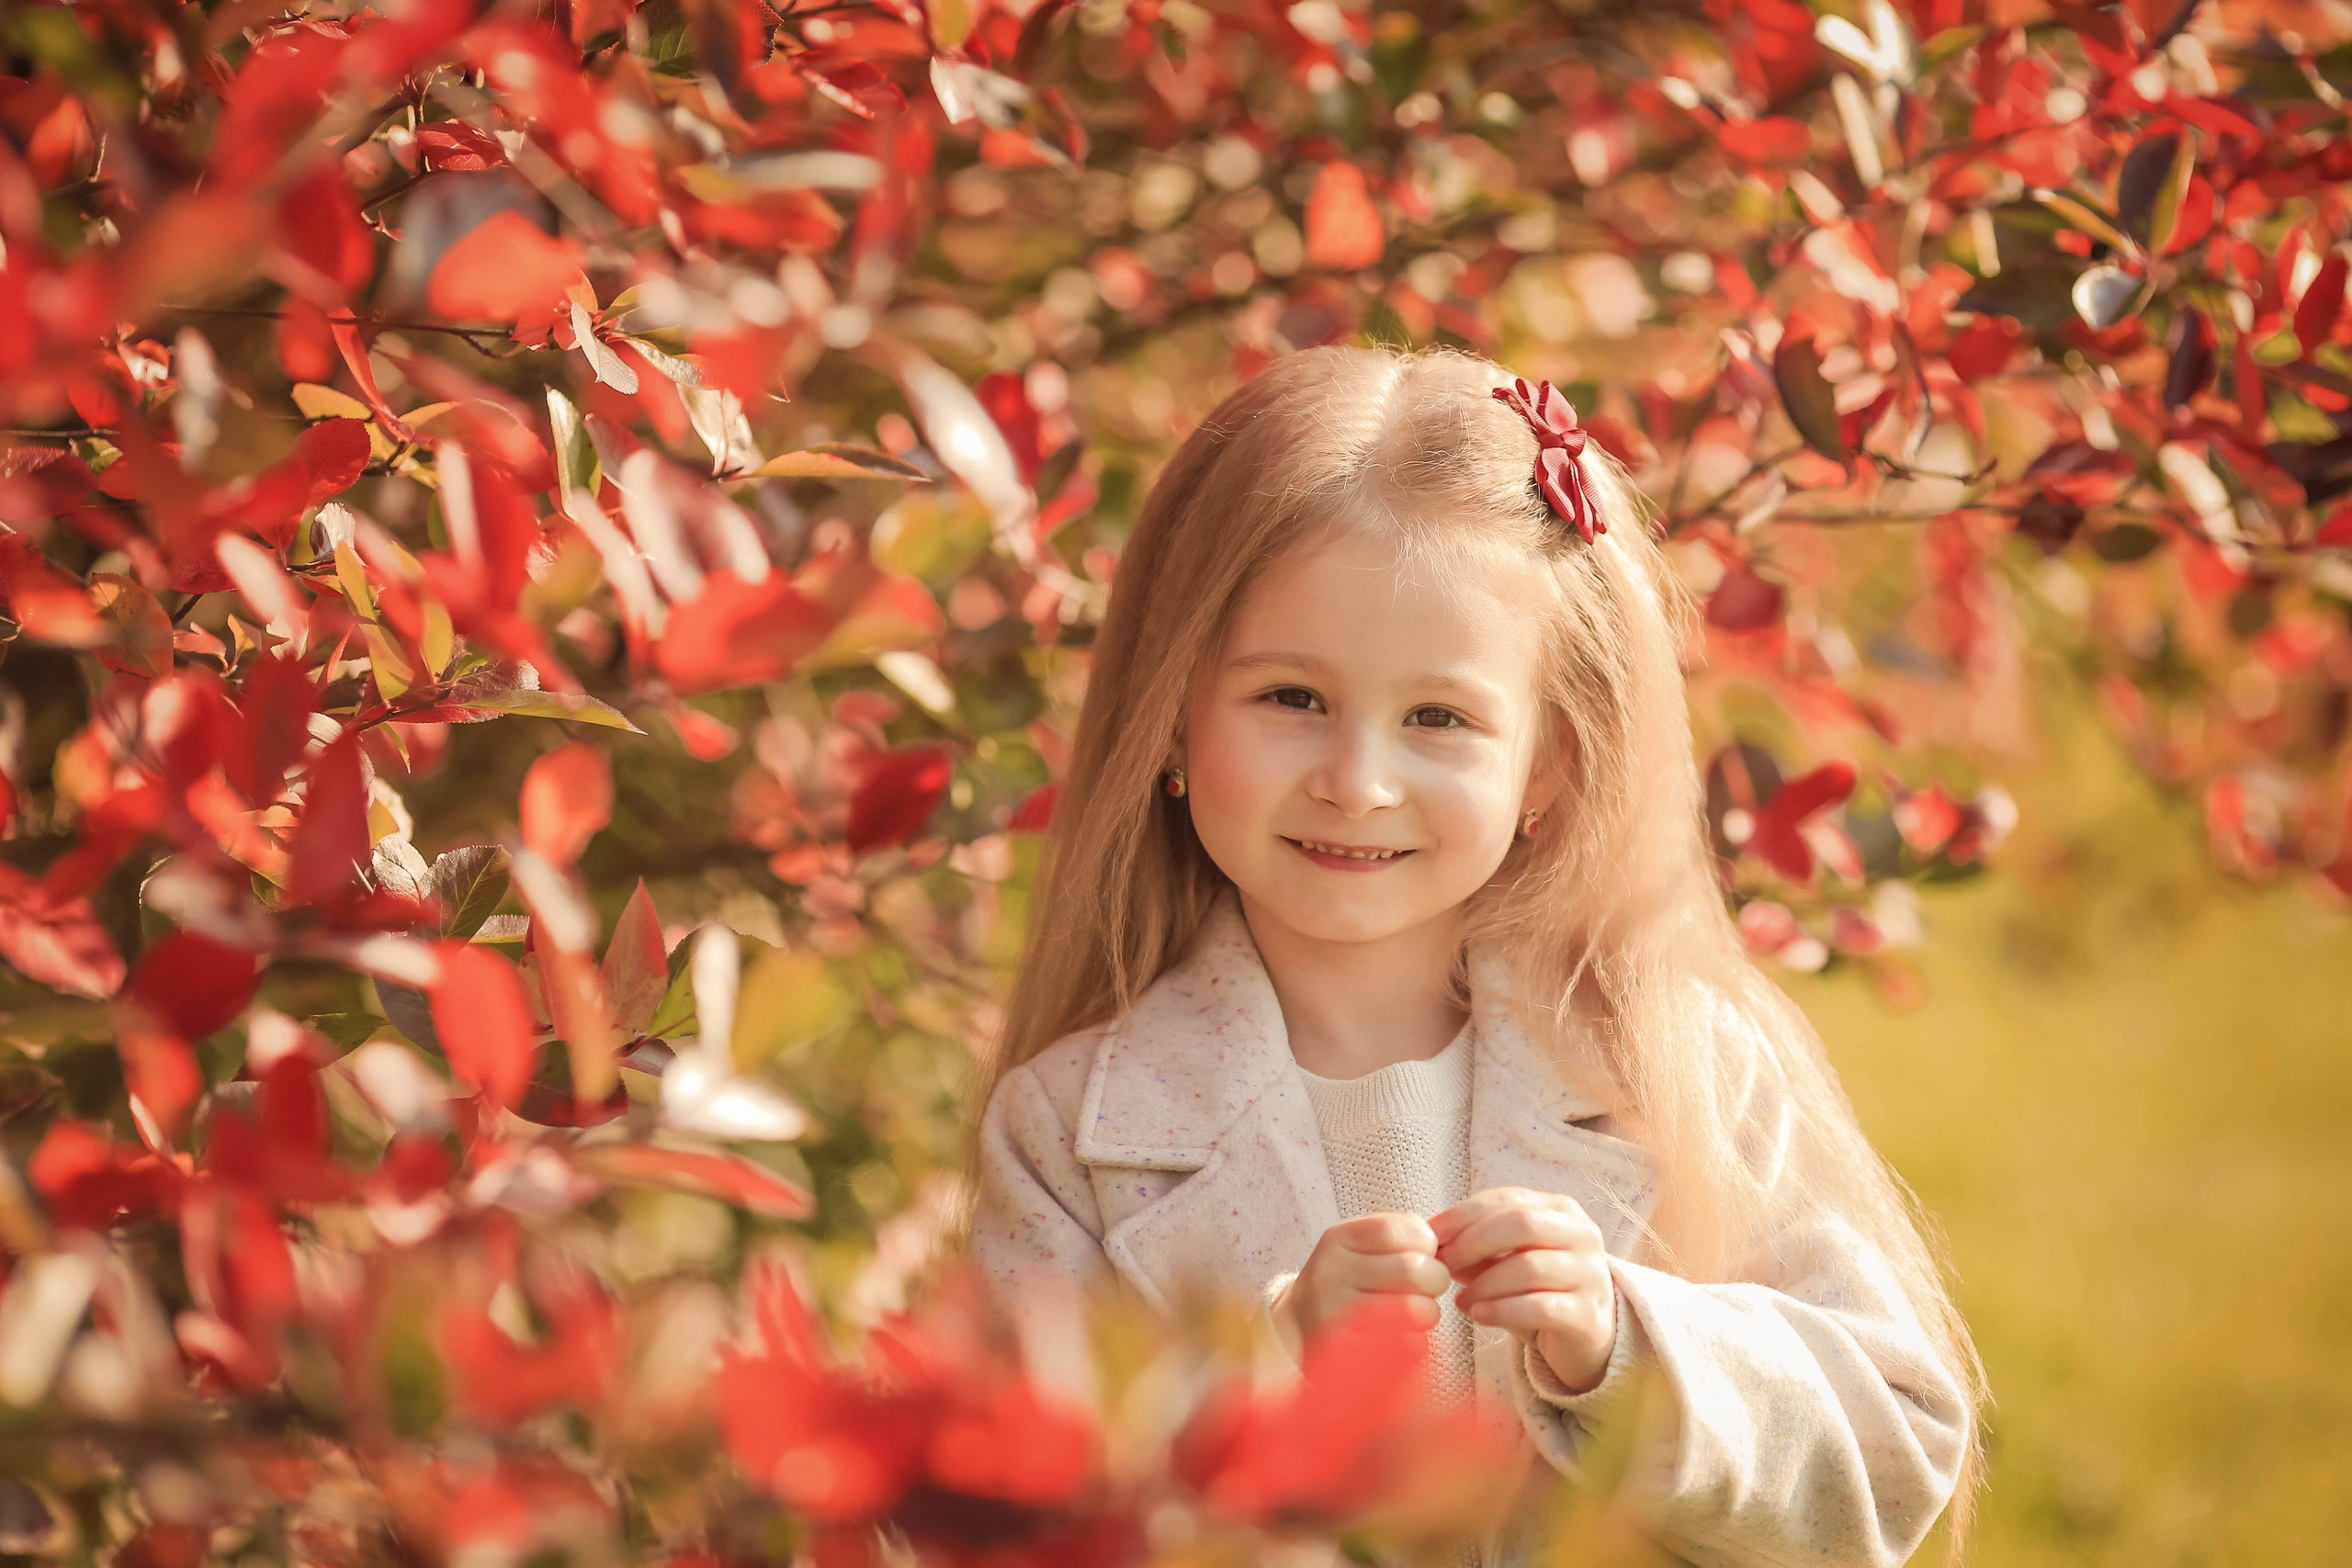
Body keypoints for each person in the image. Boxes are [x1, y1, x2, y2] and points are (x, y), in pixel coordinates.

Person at [966, 346, 1981, 1566]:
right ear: (1173, 711)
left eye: (1438, 717)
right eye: (1291, 698)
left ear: (1545, 762)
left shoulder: (1672, 1063)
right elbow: (1006, 1526)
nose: (1358, 782)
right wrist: (1266, 1382)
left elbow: (1894, 1447)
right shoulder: (1070, 1133)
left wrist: (1622, 1341)